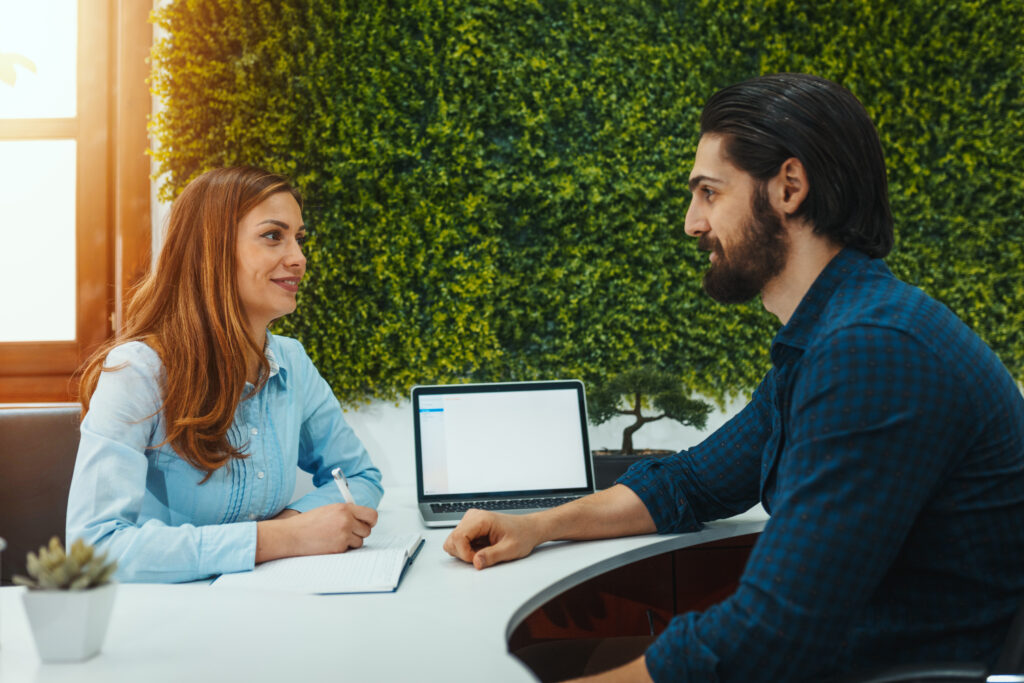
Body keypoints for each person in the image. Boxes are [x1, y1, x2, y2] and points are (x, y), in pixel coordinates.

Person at [444, 73, 1024, 681]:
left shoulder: (872, 351)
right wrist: (536, 526)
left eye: (709, 193)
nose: (692, 224)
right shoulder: (829, 337)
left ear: (788, 188)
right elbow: (692, 483)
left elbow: (766, 637)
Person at [67, 166, 383, 583]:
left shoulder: (291, 361)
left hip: (261, 600)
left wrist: (290, 526)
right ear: (211, 250)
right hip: (165, 620)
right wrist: (275, 539)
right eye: (274, 236)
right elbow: (93, 549)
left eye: (299, 239)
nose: (299, 258)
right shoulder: (137, 373)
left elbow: (360, 477)